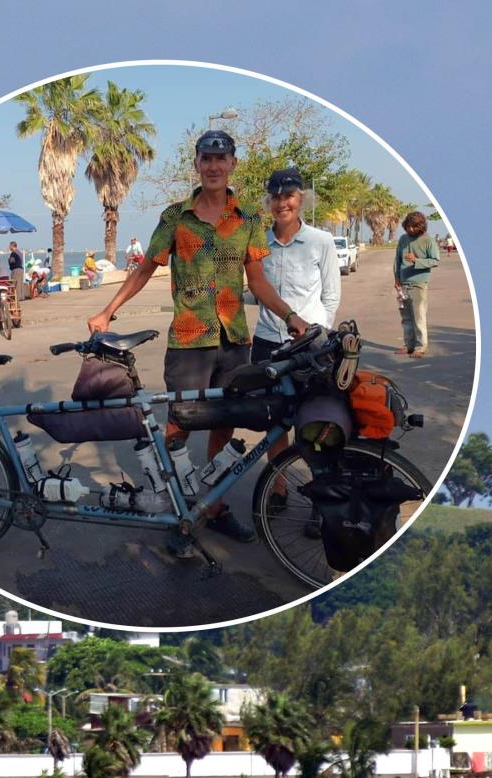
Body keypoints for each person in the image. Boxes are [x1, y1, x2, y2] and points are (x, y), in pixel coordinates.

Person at [87, 129, 310, 553]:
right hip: (190, 338)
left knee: (222, 423)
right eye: (206, 158)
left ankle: (214, 507)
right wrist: (107, 310)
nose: (213, 166)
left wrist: (291, 316)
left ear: (233, 165)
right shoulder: (175, 217)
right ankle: (176, 506)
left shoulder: (248, 220)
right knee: (179, 423)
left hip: (232, 339)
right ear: (197, 164)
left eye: (220, 159)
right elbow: (145, 269)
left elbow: (258, 282)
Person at [255, 167, 340, 512]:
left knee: (315, 424)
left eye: (288, 196)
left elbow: (331, 297)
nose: (282, 203)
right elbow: (256, 290)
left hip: (311, 348)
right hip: (267, 343)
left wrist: (320, 336)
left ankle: (323, 498)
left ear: (301, 199)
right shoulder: (259, 243)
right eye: (275, 197)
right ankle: (278, 488)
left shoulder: (321, 241)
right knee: (274, 422)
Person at [394, 210, 438, 358]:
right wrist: (396, 279)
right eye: (409, 226)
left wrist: (416, 261)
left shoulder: (428, 240)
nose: (411, 229)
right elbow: (397, 260)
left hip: (419, 284)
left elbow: (435, 260)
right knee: (406, 318)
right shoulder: (403, 239)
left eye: (414, 227)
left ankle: (420, 347)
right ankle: (408, 345)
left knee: (418, 317)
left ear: (421, 226)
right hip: (403, 285)